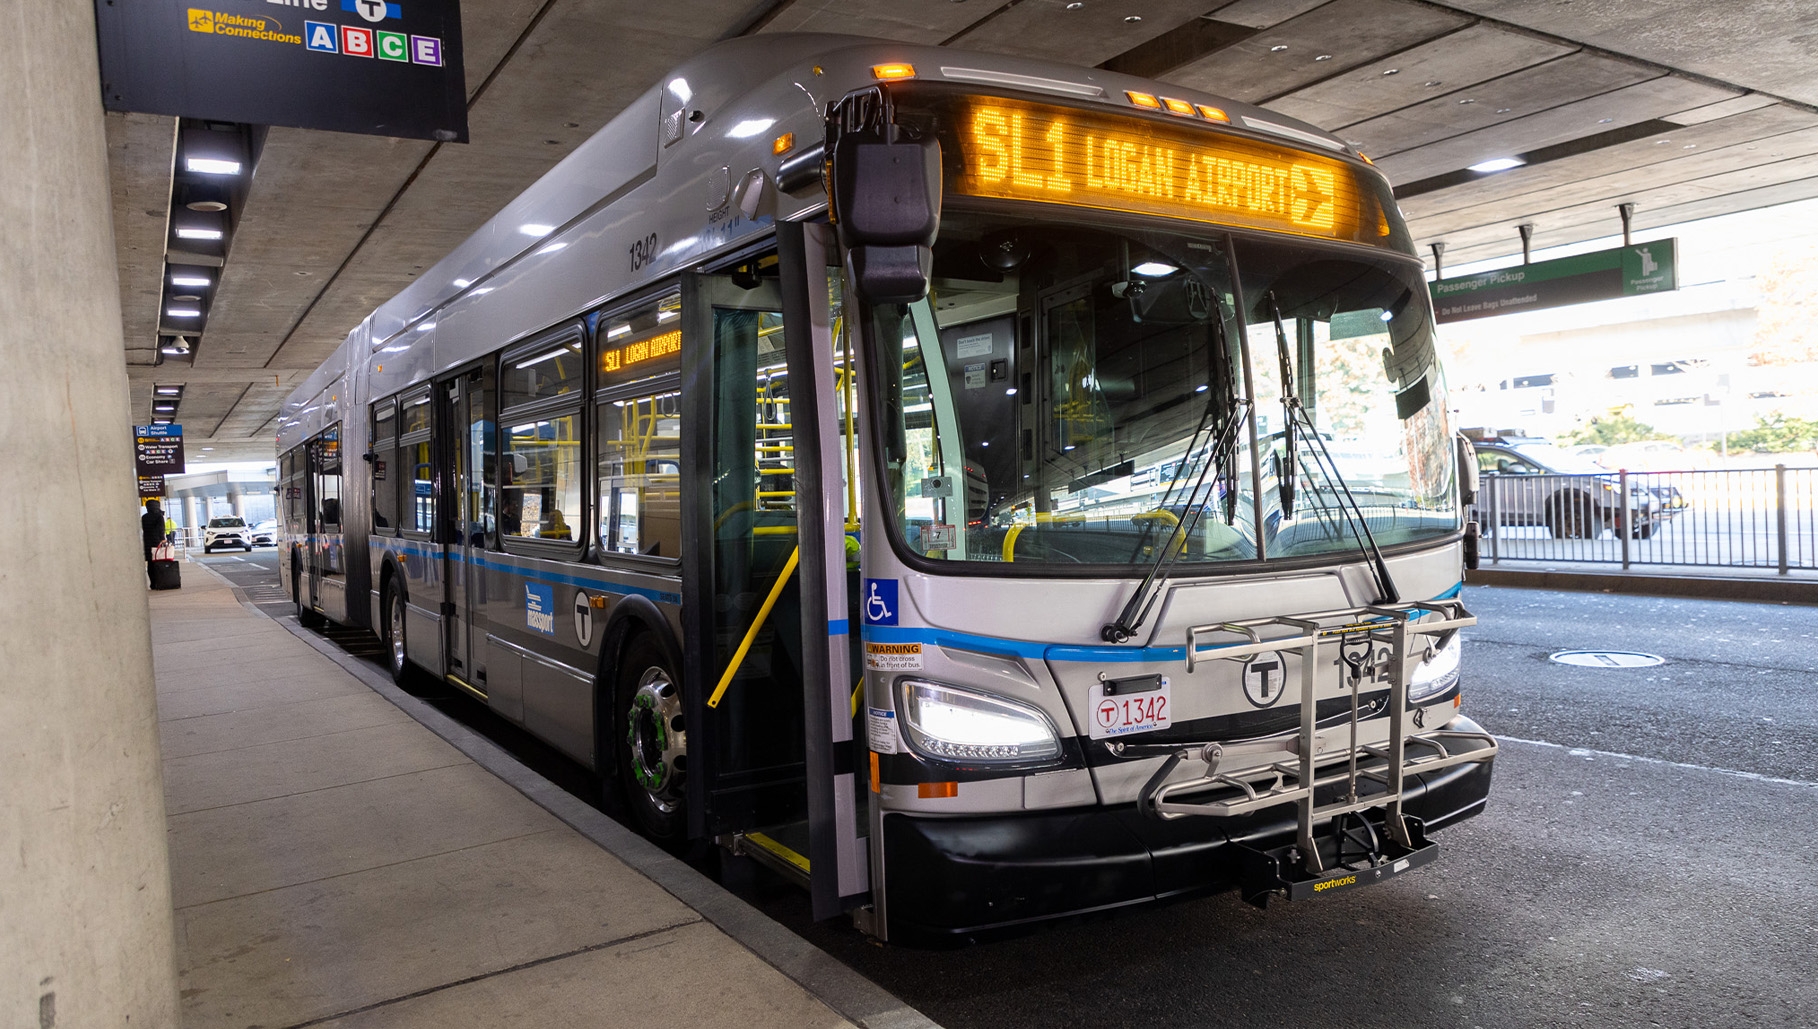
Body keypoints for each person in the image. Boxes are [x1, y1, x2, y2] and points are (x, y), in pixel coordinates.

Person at [141, 500, 165, 581]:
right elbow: (161, 529)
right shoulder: (159, 516)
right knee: (158, 561)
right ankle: (159, 580)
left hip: (147, 542)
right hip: (157, 542)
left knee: (150, 563)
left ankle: (153, 582)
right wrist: (162, 539)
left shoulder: (144, 517)